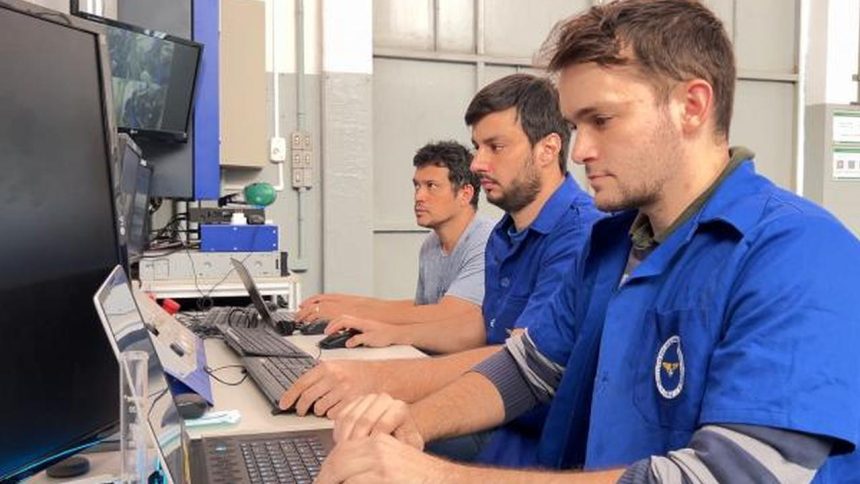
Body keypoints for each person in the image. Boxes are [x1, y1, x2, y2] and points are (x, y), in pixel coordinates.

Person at [317, 0, 860, 482]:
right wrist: (411, 424)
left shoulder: (799, 255)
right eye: (579, 126)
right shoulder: (609, 245)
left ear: (692, 106)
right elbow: (524, 369)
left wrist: (439, 477)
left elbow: (731, 474)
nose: (579, 153)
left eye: (602, 119)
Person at [278, 73, 601, 428]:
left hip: (525, 431)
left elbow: (522, 364)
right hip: (492, 410)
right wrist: (394, 333)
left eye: (496, 147)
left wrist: (381, 379)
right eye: (477, 147)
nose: (477, 164)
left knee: (347, 431)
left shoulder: (581, 234)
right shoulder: (504, 235)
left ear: (548, 149)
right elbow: (483, 327)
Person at [297, 141, 494, 353]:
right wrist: (347, 302)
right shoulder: (430, 245)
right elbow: (422, 310)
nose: (419, 197)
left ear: (465, 194)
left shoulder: (486, 241)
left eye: (431, 186)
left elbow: (450, 315)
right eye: (417, 186)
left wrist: (353, 311)